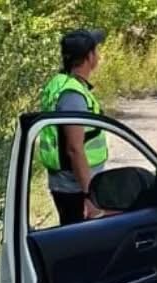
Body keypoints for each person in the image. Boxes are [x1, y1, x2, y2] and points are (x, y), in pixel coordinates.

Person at [39, 29, 108, 225]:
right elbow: (74, 149)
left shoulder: (60, 83)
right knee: (82, 245)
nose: (99, 55)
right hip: (75, 188)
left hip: (67, 184)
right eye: (96, 50)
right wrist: (89, 196)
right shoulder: (73, 95)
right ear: (89, 57)